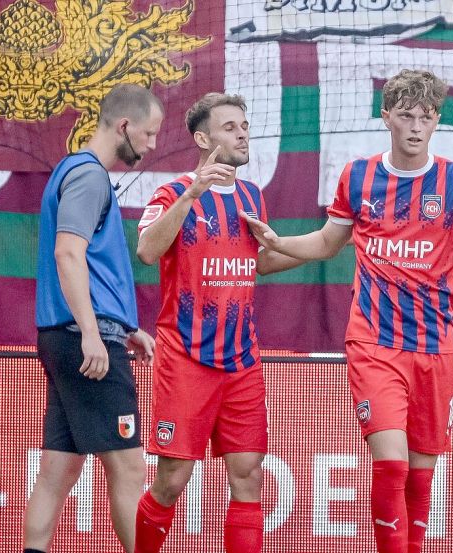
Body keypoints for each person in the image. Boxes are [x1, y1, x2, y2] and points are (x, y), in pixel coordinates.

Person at [242, 69, 453, 553]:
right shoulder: (358, 175)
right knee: (393, 464)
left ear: (437, 121)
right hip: (374, 342)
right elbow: (326, 242)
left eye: (426, 117)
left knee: (421, 478)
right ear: (387, 117)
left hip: (434, 349)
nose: (416, 126)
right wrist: (274, 247)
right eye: (406, 116)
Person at [132, 92, 301, 553]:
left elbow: (256, 262)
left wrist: (326, 245)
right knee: (172, 480)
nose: (243, 133)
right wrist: (192, 193)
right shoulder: (172, 193)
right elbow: (147, 251)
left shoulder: (251, 195)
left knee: (248, 476)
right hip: (185, 357)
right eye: (230, 127)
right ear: (203, 138)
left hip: (242, 361)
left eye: (244, 125)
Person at [25, 83, 162, 553]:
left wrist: (124, 328)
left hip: (70, 334)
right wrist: (92, 332)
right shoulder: (88, 176)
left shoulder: (73, 171)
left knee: (57, 471)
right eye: (149, 133)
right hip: (82, 339)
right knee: (127, 468)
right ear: (124, 126)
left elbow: (90, 268)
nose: (152, 143)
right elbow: (68, 253)